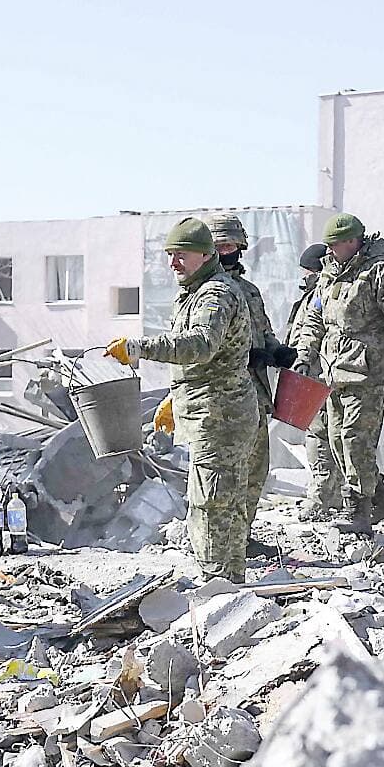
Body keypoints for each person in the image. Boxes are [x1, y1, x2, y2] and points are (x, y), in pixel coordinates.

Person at [109, 218, 256, 582]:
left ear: (205, 255)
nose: (174, 263)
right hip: (210, 409)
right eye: (171, 255)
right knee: (221, 500)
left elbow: (201, 345)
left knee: (212, 503)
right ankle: (227, 580)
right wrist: (175, 399)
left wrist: (139, 349)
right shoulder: (194, 291)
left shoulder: (215, 294)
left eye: (182, 255)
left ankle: (218, 582)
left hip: (221, 414)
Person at [292, 213, 384, 536]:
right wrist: (304, 357)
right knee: (336, 441)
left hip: (368, 373)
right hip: (333, 373)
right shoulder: (328, 276)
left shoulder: (382, 273)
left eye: (336, 245)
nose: (331, 251)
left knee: (355, 441)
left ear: (354, 241)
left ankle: (358, 510)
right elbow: (315, 320)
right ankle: (381, 500)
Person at [205, 212, 289, 538]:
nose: (227, 250)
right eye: (219, 245)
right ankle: (220, 541)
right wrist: (245, 356)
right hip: (221, 396)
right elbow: (203, 345)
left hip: (253, 392)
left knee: (255, 468)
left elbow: (263, 331)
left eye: (231, 244)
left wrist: (276, 350)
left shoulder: (248, 290)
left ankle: (241, 537)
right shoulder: (206, 292)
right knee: (226, 472)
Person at [284, 243, 344, 521]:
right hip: (309, 375)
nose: (303, 276)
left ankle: (322, 499)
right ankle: (332, 496)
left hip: (321, 377)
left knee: (320, 436)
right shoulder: (312, 296)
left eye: (307, 270)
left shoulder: (324, 296)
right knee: (322, 435)